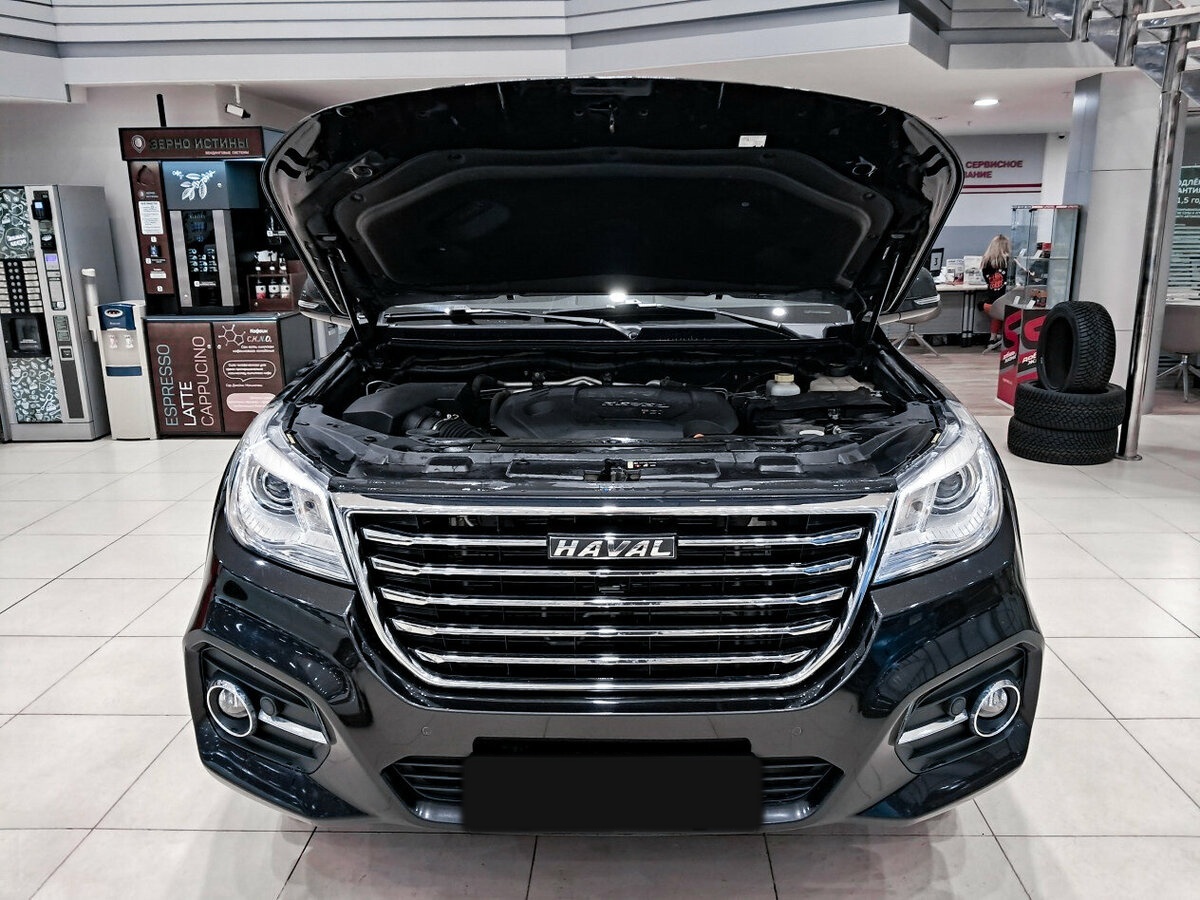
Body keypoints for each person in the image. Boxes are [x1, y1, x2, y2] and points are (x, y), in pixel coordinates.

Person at [980, 234, 1011, 347]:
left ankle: (992, 338)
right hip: (1005, 302)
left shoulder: (985, 262)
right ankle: (1003, 337)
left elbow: (987, 281)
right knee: (1004, 308)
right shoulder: (1010, 262)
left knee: (997, 309)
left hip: (990, 304)